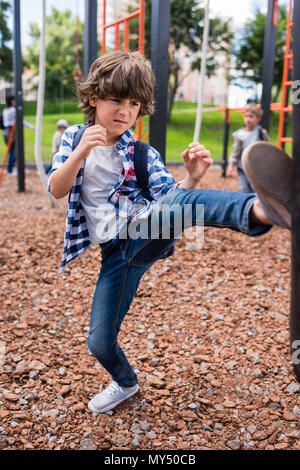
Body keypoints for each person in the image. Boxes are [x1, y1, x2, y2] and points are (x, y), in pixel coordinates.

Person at [47, 51, 292, 414]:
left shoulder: (141, 153)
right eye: (116, 99)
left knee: (177, 206)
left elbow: (172, 199)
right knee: (99, 342)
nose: (125, 111)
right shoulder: (74, 138)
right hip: (115, 255)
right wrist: (80, 152)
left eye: (134, 103)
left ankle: (259, 208)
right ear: (94, 98)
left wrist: (192, 176)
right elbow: (56, 188)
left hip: (145, 234)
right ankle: (126, 382)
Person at [227, 104, 269, 193]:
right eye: (246, 116)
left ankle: (253, 206)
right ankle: (246, 206)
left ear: (258, 119)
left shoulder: (261, 133)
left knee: (255, 190)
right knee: (244, 189)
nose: (248, 119)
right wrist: (230, 167)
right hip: (243, 167)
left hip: (256, 168)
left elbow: (267, 149)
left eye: (251, 117)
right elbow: (235, 151)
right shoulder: (240, 134)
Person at [2, 95, 34, 176]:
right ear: (11, 101)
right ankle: (10, 170)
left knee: (11, 150)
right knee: (15, 152)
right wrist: (32, 127)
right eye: (14, 100)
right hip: (12, 131)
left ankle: (10, 168)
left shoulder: (5, 110)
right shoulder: (13, 110)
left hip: (6, 131)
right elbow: (20, 120)